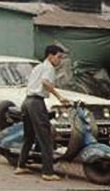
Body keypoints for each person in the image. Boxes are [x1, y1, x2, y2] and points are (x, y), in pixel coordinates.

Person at [14, 44, 69, 181]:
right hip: (36, 103)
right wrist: (60, 96)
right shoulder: (49, 68)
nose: (59, 61)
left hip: (27, 102)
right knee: (46, 138)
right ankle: (48, 172)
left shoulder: (38, 67)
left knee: (29, 136)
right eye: (58, 57)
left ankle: (21, 165)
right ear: (50, 56)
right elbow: (45, 82)